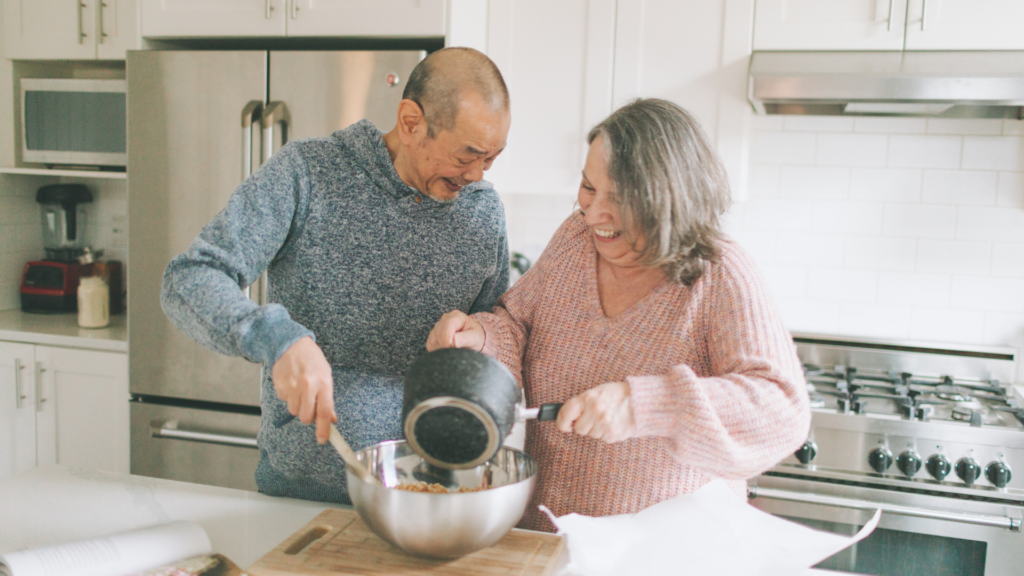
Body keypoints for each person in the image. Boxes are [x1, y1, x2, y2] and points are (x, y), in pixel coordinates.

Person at [426, 98, 810, 531]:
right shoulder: (576, 238)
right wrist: (482, 337)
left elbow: (782, 412)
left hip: (665, 554)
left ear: (669, 199)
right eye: (589, 187)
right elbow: (519, 324)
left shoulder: (717, 274)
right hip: (551, 539)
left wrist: (642, 405)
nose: (593, 213)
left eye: (620, 199)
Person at [161, 47, 512, 503]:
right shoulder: (307, 173)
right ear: (410, 122)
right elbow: (188, 279)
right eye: (469, 154)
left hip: (429, 502)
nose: (479, 174)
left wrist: (482, 337)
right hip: (303, 495)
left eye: (492, 158)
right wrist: (278, 339)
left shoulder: (483, 213)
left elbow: (498, 338)